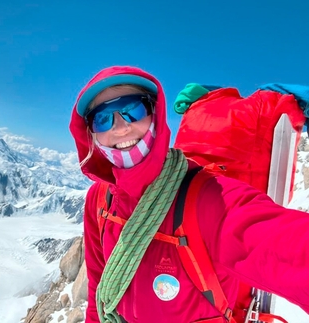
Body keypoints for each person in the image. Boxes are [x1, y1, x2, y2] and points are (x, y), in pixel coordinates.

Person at [69, 65, 309, 323]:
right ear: (92, 134)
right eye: (102, 118)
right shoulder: (99, 199)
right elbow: (99, 290)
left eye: (133, 110)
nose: (120, 127)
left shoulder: (209, 198)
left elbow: (287, 249)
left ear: (156, 114)